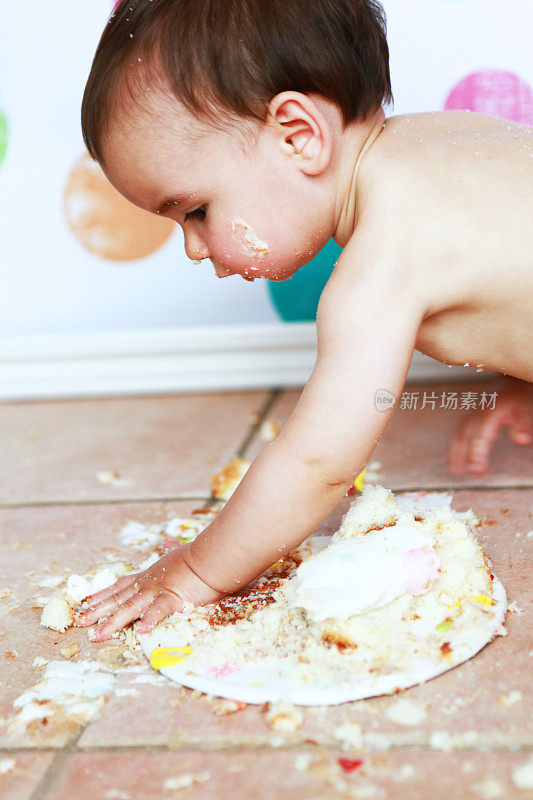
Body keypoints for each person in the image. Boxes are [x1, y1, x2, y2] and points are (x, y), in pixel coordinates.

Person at [74, 0, 532, 641]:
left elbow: (319, 462)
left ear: (298, 135)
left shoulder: (379, 269)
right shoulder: (444, 138)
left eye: (197, 211)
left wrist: (195, 574)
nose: (194, 247)